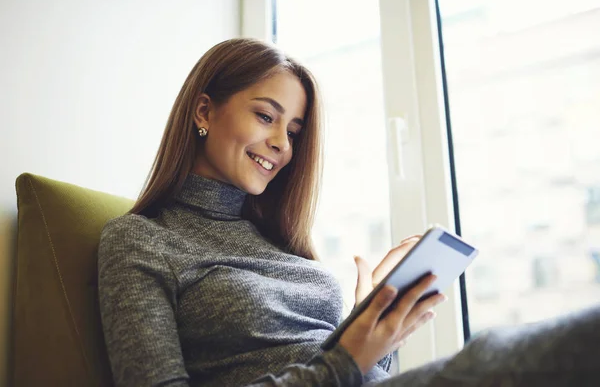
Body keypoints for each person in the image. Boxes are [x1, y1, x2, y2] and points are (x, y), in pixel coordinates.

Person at [98, 38, 600, 387]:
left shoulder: (278, 243)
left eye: (293, 131)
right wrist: (348, 355)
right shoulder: (141, 240)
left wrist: (374, 332)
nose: (281, 145)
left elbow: (343, 370)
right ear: (204, 111)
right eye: (265, 116)